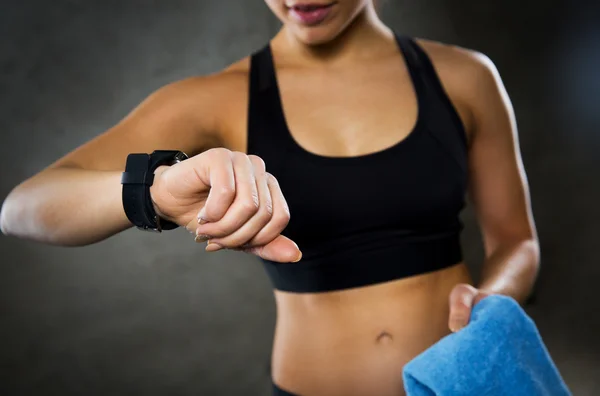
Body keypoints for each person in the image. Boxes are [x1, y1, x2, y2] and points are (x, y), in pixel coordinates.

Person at [0, 1, 540, 395]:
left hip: (464, 384)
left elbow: (517, 241)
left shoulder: (465, 77)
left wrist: (490, 302)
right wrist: (157, 192)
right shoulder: (220, 97)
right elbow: (23, 208)